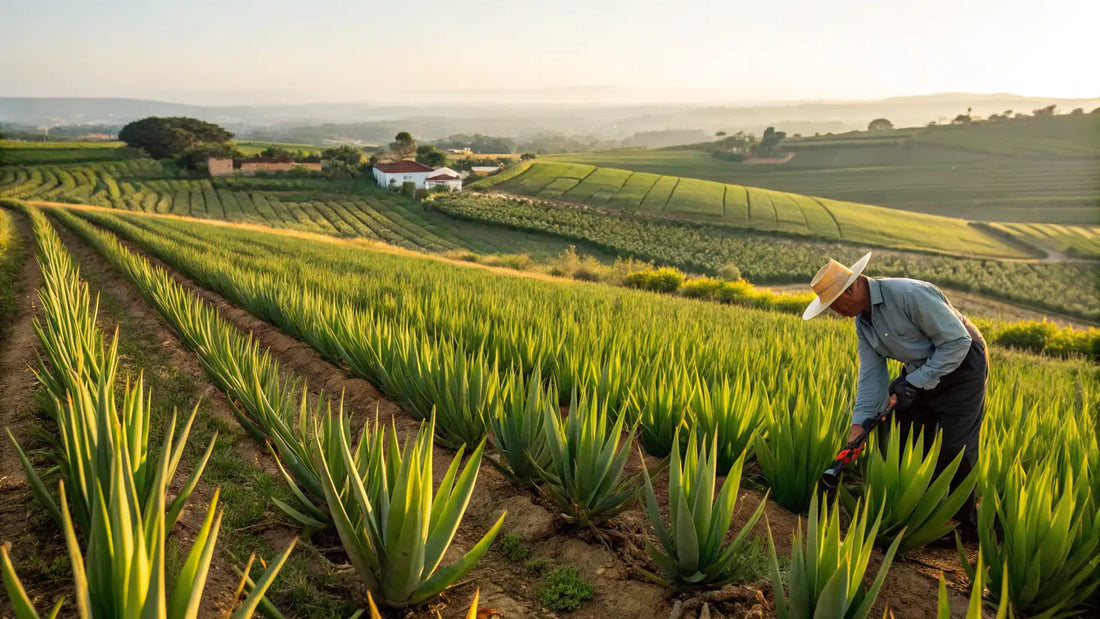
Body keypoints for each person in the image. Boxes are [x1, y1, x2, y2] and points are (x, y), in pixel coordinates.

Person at [802, 252, 988, 538]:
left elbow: (956, 342)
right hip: (920, 368)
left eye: (835, 304)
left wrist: (913, 383)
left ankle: (966, 527)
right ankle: (917, 509)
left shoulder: (908, 294)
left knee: (954, 448)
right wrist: (859, 426)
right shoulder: (863, 323)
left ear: (851, 288)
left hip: (963, 364)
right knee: (899, 433)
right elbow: (871, 376)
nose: (836, 312)